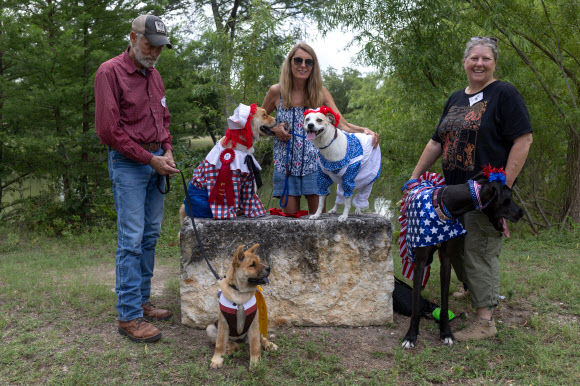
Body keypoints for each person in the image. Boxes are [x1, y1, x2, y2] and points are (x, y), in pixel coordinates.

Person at [403, 36, 533, 341]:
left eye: (486, 59)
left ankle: (485, 321)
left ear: (494, 63)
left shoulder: (504, 94)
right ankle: (472, 289)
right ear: (464, 62)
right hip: (453, 195)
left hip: (486, 195)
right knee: (457, 247)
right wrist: (413, 180)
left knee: (480, 250)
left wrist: (503, 189)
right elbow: (437, 142)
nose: (479, 63)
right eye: (474, 58)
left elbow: (523, 140)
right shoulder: (455, 98)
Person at [95, 15, 179, 343]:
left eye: (160, 47)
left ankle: (141, 302)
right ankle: (128, 316)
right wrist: (151, 159)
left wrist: (167, 149)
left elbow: (164, 118)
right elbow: (109, 131)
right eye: (150, 44)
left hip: (155, 160)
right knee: (131, 238)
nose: (156, 52)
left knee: (150, 236)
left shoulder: (154, 75)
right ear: (132, 36)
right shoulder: (109, 72)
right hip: (130, 164)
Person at [261, 42, 380, 215]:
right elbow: (258, 124)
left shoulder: (321, 93)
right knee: (290, 223)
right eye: (298, 60)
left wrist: (364, 130)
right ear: (290, 63)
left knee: (320, 224)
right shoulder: (276, 91)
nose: (303, 65)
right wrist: (275, 130)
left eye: (308, 62)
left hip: (316, 165)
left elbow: (341, 123)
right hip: (285, 166)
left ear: (313, 66)